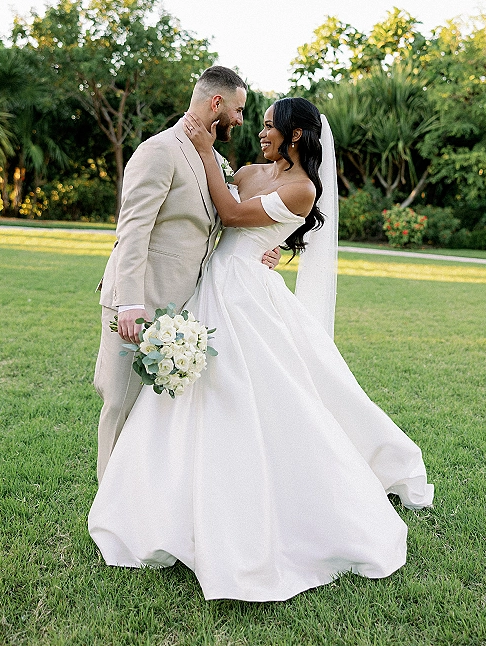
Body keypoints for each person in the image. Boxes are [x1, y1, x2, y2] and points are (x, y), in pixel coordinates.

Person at [89, 97, 434, 602]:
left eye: (271, 127)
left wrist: (206, 153)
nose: (261, 133)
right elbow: (215, 216)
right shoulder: (250, 170)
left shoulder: (302, 188)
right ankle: (161, 506)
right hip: (209, 288)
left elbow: (232, 213)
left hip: (246, 297)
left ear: (296, 136)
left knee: (255, 398)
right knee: (188, 401)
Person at [93, 65, 280, 483]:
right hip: (138, 304)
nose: (241, 119)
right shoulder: (159, 150)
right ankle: (109, 507)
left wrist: (262, 250)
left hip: (183, 307)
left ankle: (142, 500)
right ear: (217, 103)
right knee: (121, 404)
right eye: (238, 109)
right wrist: (129, 302)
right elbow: (134, 229)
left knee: (154, 414)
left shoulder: (212, 157)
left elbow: (223, 222)